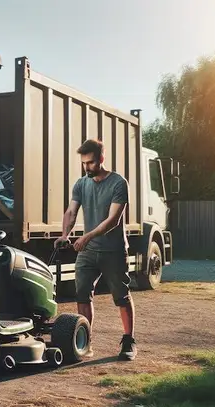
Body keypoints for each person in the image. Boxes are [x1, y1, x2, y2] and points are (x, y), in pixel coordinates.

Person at [55, 139, 136, 361]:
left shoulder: (119, 183)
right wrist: (65, 236)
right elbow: (71, 212)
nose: (87, 167)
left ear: (101, 159)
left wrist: (87, 236)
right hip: (88, 252)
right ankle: (85, 341)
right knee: (81, 294)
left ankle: (128, 341)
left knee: (121, 296)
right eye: (84, 163)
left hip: (113, 250)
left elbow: (113, 220)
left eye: (90, 163)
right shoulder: (81, 184)